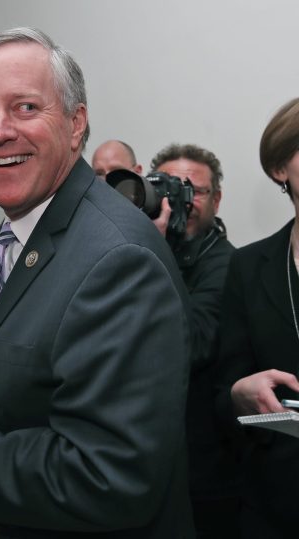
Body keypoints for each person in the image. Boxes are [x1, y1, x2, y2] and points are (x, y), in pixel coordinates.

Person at [0, 27, 193, 538]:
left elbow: (108, 476)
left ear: (75, 123)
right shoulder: (22, 229)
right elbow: (12, 375)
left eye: (25, 108)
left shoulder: (118, 258)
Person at [214, 96, 299, 536]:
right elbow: (223, 388)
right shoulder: (247, 267)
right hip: (276, 501)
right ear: (279, 169)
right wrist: (238, 393)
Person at [149, 143, 238, 537]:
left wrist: (153, 248)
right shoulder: (144, 251)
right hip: (147, 465)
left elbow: (194, 342)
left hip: (204, 472)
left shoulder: (230, 263)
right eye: (169, 189)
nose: (182, 200)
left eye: (194, 190)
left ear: (216, 199)